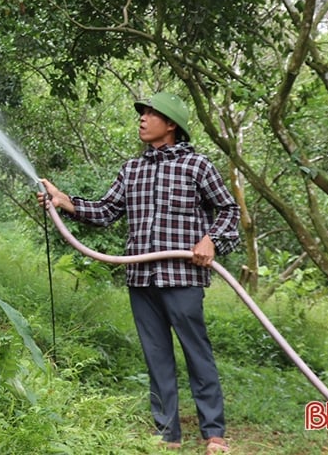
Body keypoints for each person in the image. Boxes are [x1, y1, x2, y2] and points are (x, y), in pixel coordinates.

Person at [38, 92, 240, 453]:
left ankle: (214, 434)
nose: (142, 118)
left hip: (183, 278)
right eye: (142, 113)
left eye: (151, 113)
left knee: (197, 354)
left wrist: (212, 240)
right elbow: (104, 211)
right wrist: (64, 201)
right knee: (156, 357)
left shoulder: (197, 166)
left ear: (172, 124)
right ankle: (168, 437)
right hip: (141, 278)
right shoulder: (133, 169)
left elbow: (228, 210)